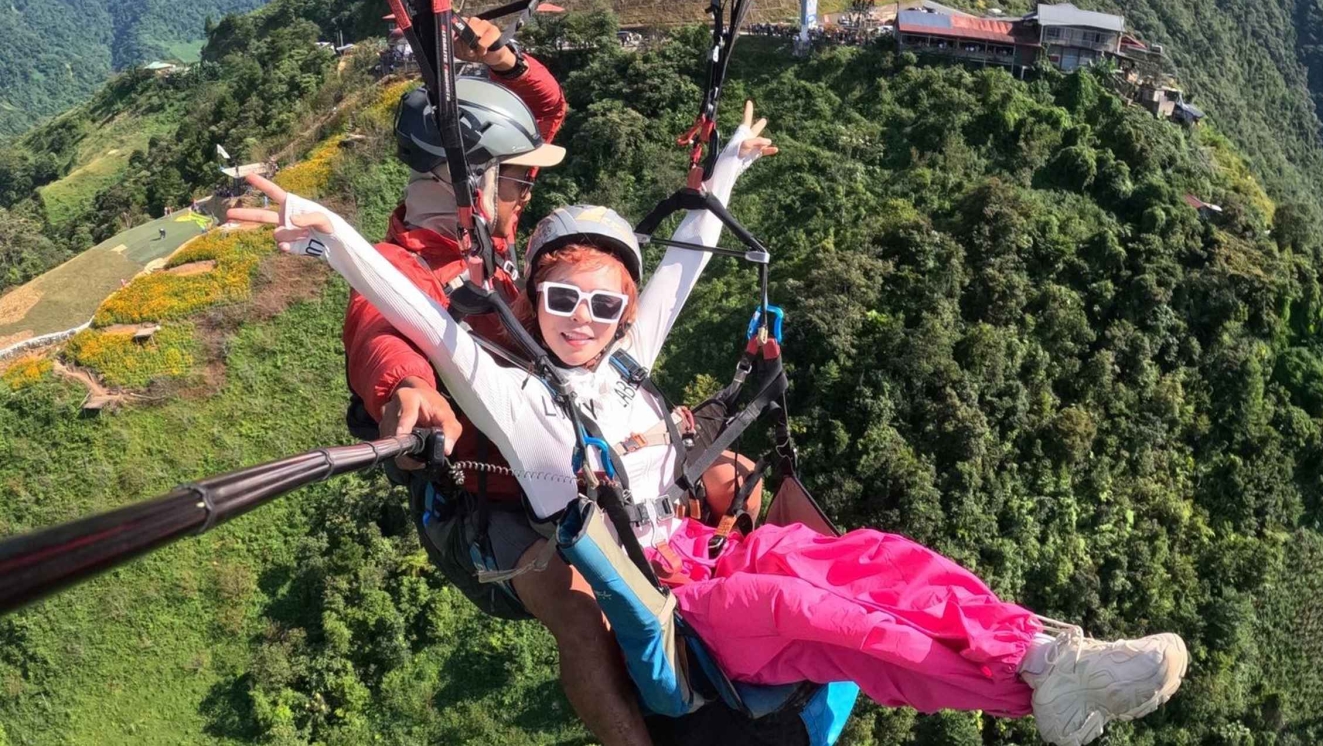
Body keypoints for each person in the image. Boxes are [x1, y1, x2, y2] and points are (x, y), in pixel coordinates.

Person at [230, 101, 1189, 746]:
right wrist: (319, 228)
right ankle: (1026, 698)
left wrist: (725, 169)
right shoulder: (518, 401)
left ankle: (1046, 650)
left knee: (875, 559)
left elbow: (681, 268)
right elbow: (422, 314)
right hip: (682, 608)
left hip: (715, 548)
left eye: (605, 308)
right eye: (561, 299)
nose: (581, 323)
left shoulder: (622, 361)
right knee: (825, 621)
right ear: (533, 294)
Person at [338, 16, 656, 746]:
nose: (525, 189)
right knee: (580, 610)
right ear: (472, 183)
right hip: (483, 510)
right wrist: (406, 395)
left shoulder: (495, 238)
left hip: (558, 474)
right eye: (513, 179)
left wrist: (501, 59)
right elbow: (381, 332)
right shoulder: (404, 268)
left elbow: (545, 115)